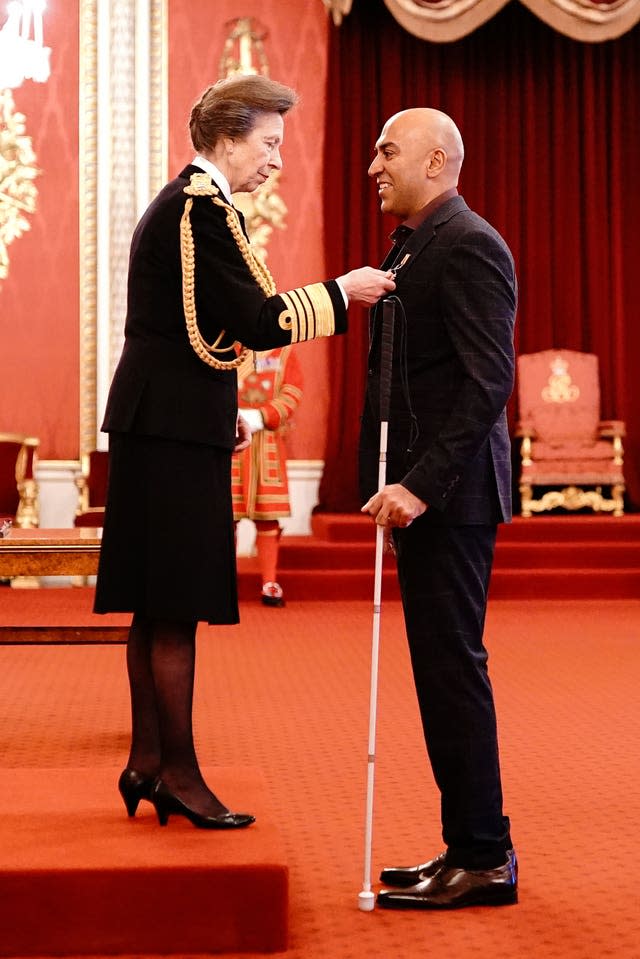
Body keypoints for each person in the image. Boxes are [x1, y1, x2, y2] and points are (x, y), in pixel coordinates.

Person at [94, 74, 395, 830]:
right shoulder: (203, 210)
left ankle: (148, 761)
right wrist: (343, 291)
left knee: (157, 605)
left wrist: (214, 406)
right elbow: (255, 321)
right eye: (269, 143)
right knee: (176, 607)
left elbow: (197, 330)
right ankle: (181, 776)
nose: (276, 161)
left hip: (165, 418)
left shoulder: (189, 203)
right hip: (168, 429)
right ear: (227, 139)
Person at [359, 108, 518, 908]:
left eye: (387, 150)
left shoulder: (470, 243)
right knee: (438, 669)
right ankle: (465, 842)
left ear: (435, 159)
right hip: (423, 498)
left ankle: (486, 854)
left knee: (453, 667)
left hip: (450, 498)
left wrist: (419, 483)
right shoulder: (415, 241)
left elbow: (489, 382)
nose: (373, 165)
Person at [232, 346, 302, 607]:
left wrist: (262, 416)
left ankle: (269, 582)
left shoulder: (285, 352)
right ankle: (225, 581)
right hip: (231, 439)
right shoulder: (225, 347)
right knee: (226, 515)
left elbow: (292, 392)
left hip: (268, 443)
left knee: (267, 515)